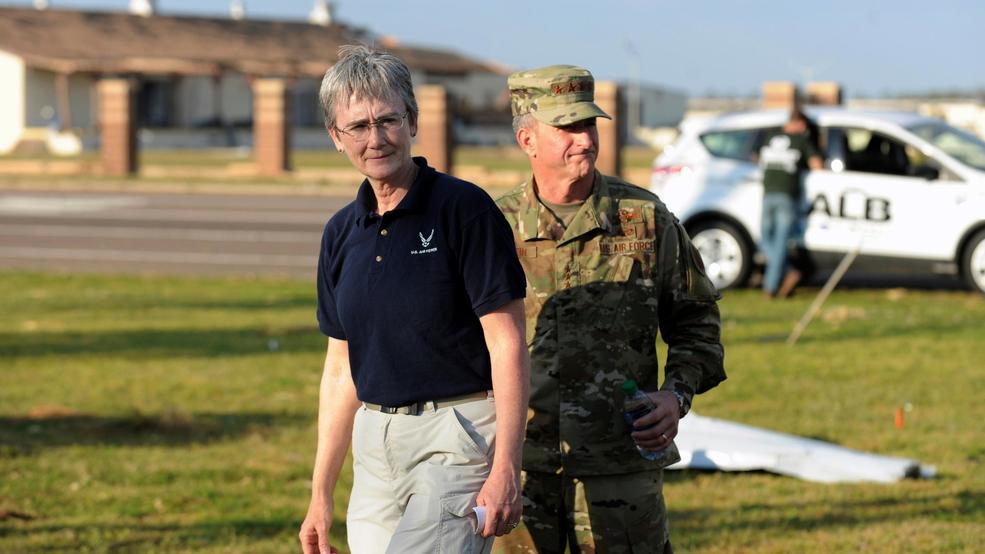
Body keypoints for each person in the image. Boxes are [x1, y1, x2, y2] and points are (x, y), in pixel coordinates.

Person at [299, 45, 530, 554]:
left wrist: (507, 465)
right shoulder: (341, 232)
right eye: (357, 126)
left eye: (388, 120)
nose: (376, 138)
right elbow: (341, 369)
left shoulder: (464, 209)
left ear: (414, 121)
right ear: (336, 138)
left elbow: (507, 341)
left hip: (457, 436)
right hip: (375, 443)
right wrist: (321, 493)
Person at [492, 65, 727, 553]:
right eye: (567, 128)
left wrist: (675, 397)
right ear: (527, 139)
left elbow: (697, 323)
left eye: (589, 125)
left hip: (621, 475)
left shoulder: (644, 219)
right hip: (521, 472)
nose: (585, 140)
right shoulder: (494, 228)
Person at [757, 107, 822, 298]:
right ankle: (788, 271)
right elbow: (817, 164)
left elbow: (757, 158)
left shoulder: (771, 137)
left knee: (774, 241)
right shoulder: (802, 140)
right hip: (776, 194)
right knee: (769, 241)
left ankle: (770, 287)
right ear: (801, 124)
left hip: (779, 195)